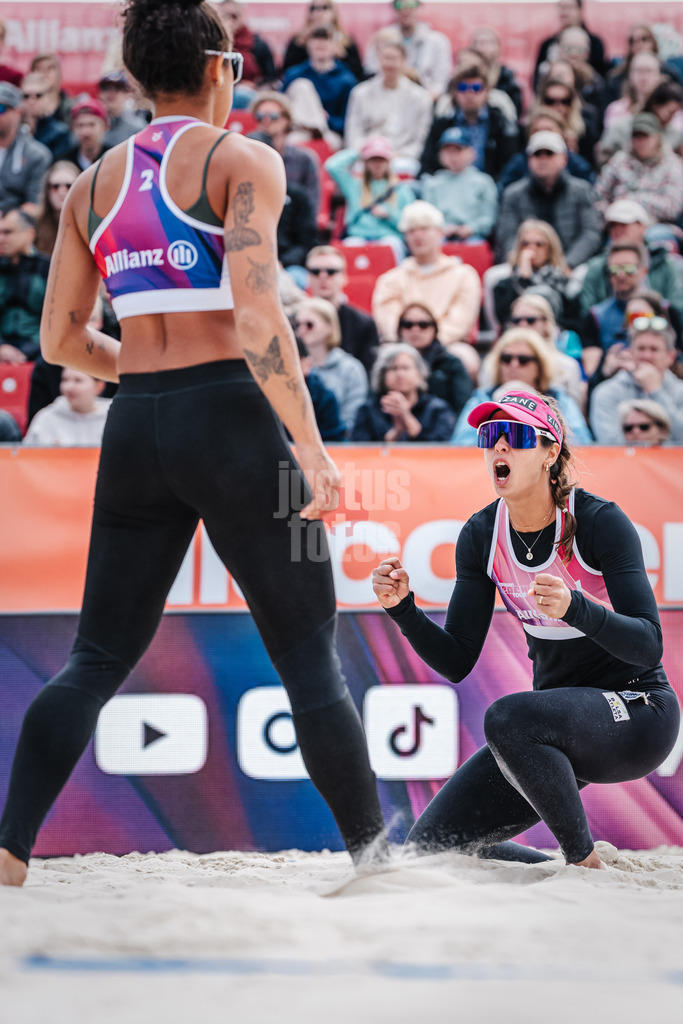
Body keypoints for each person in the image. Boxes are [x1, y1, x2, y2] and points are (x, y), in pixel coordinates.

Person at [0, 0, 386, 888]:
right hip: (233, 423)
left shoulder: (92, 182)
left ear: (136, 77)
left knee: (94, 658)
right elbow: (256, 316)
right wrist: (313, 449)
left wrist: (137, 365)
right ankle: (372, 860)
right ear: (220, 67)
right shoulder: (242, 158)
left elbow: (60, 340)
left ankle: (11, 847)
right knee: (307, 655)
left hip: (137, 424)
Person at [373, 388, 678, 867]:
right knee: (427, 851)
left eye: (513, 435)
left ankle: (583, 862)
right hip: (555, 735)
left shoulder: (600, 522)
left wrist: (577, 609)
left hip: (639, 713)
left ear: (550, 453)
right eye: (490, 435)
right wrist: (403, 610)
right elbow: (456, 661)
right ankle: (558, 869)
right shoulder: (480, 535)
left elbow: (648, 646)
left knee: (507, 717)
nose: (498, 447)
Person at [372, 201, 481, 377]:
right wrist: (411, 346)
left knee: (466, 358)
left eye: (424, 229)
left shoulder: (464, 275)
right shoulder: (390, 280)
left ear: (439, 232)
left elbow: (460, 321)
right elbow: (388, 321)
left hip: (446, 346)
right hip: (402, 346)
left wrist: (429, 344)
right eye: (412, 231)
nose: (418, 236)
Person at [451, 329, 591, 446]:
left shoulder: (559, 399)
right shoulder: (481, 399)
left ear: (539, 366)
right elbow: (461, 448)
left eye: (523, 360)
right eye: (506, 359)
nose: (514, 365)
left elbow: (582, 444)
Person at [495, 131, 602, 268]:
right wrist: (523, 261)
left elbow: (590, 234)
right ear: (529, 160)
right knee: (494, 277)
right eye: (537, 154)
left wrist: (567, 264)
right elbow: (507, 235)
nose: (543, 159)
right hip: (524, 263)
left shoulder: (582, 190)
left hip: (571, 265)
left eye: (549, 154)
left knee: (583, 278)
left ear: (564, 159)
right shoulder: (513, 194)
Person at [579, 199, 683, 322]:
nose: (617, 230)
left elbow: (678, 309)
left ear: (642, 227)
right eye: (612, 226)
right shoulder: (596, 267)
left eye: (623, 224)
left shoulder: (666, 263)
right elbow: (588, 314)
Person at [343, 32, 432, 166]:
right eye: (386, 58)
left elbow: (419, 141)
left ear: (404, 61)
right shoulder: (360, 93)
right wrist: (369, 153)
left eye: (394, 59)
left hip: (402, 158)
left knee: (403, 167)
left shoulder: (421, 97)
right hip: (367, 157)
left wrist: (398, 155)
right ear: (379, 60)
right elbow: (353, 134)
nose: (389, 64)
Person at [420, 61, 520, 179]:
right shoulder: (443, 123)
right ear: (455, 93)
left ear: (487, 92)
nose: (469, 93)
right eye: (463, 87)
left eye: (476, 88)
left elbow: (510, 166)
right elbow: (427, 164)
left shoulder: (500, 122)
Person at [589, 318, 683, 443]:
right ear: (631, 352)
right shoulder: (606, 392)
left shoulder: (680, 391)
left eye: (654, 349)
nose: (646, 356)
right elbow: (609, 444)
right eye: (641, 348)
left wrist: (656, 391)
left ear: (671, 356)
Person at [324, 137, 416, 255]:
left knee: (392, 245)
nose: (377, 164)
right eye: (372, 160)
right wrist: (358, 151)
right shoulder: (355, 185)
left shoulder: (401, 189)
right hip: (358, 236)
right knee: (350, 245)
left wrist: (389, 215)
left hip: (389, 237)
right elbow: (332, 167)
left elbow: (411, 222)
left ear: (388, 162)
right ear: (365, 163)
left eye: (381, 160)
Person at [350, 342, 456, 442]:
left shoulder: (437, 410)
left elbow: (444, 451)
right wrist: (396, 432)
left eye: (405, 368)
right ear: (382, 376)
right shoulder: (368, 410)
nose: (399, 374)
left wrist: (407, 417)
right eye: (393, 368)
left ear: (420, 374)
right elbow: (360, 451)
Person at [594, 113, 683, 226]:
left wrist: (631, 199)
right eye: (636, 136)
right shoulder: (619, 160)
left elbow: (673, 207)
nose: (641, 141)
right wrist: (612, 212)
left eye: (645, 136)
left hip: (657, 226)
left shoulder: (672, 164)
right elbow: (597, 196)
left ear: (657, 137)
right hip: (618, 223)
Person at [294, 297, 368, 431]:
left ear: (329, 327)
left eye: (309, 325)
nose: (301, 330)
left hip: (337, 443)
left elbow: (353, 419)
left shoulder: (350, 369)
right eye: (298, 325)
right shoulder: (288, 366)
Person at [492, 219, 579, 332]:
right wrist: (523, 279)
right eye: (525, 244)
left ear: (550, 248)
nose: (531, 249)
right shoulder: (505, 286)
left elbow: (573, 323)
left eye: (539, 244)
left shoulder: (564, 283)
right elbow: (504, 318)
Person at [580, 242, 650, 379]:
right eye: (614, 270)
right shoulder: (595, 316)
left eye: (629, 269)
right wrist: (606, 369)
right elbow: (591, 374)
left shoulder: (666, 311)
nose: (621, 275)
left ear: (644, 271)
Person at [304, 244, 379, 372]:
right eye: (316, 272)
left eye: (331, 272)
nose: (323, 277)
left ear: (344, 277)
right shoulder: (294, 321)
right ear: (308, 277)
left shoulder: (363, 324)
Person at [420, 126, 498, 242]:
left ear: (471, 152)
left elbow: (489, 216)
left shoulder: (483, 182)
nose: (453, 156)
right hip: (442, 235)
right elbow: (428, 216)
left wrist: (472, 228)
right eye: (448, 151)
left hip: (473, 235)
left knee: (475, 244)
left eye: (458, 150)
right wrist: (443, 227)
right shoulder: (432, 184)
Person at [363, 0, 453, 101]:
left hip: (426, 101)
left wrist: (423, 100)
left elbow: (441, 83)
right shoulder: (381, 39)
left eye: (410, 4)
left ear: (419, 6)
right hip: (387, 100)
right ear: (393, 8)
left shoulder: (438, 42)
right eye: (399, 5)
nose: (405, 10)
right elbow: (371, 73)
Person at [281, 25, 358, 142]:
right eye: (316, 39)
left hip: (329, 134)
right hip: (298, 131)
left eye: (326, 39)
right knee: (302, 86)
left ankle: (318, 127)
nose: (320, 43)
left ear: (335, 46)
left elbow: (348, 121)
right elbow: (282, 109)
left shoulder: (346, 79)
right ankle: (315, 126)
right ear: (308, 44)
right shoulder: (294, 74)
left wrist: (327, 118)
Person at [496, 106, 596, 195]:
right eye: (537, 131)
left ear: (561, 133)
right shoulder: (517, 163)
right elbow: (504, 193)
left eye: (549, 130)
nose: (543, 135)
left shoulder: (577, 164)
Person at [248, 92, 320, 214]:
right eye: (260, 116)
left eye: (273, 116)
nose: (266, 120)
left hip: (292, 224)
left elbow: (311, 206)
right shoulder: (248, 156)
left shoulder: (304, 159)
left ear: (287, 120)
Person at [396, 302, 472, 417]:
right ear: (399, 330)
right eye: (408, 324)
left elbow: (464, 409)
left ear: (434, 329)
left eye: (423, 324)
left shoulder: (452, 364)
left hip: (444, 429)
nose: (415, 329)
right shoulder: (388, 365)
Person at [0, 208, 50, 364]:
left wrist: (30, 351)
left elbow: (57, 321)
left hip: (42, 353)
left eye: (8, 232)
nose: (1, 239)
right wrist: (1, 347)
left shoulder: (49, 268)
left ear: (30, 234)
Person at [599, 79, 683, 165]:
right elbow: (604, 155)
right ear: (655, 106)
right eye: (670, 112)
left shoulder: (675, 134)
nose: (671, 117)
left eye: (675, 114)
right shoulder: (623, 127)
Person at [22, 368, 112, 446]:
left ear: (99, 386)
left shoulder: (112, 418)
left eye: (78, 380)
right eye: (65, 380)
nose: (68, 387)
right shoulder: (46, 418)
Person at [0, 83, 52, 216]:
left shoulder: (37, 155)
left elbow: (34, 205)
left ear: (18, 112)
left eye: (1, 108)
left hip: (16, 228)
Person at [281, 0, 364, 83]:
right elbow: (286, 70)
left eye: (325, 7)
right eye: (313, 8)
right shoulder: (298, 39)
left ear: (333, 11)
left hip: (336, 87)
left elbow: (358, 73)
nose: (319, 12)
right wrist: (299, 46)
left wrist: (343, 55)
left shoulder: (346, 40)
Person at [534, 0, 609, 83]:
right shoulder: (547, 44)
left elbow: (602, 77)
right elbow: (537, 81)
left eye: (569, 7)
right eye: (562, 7)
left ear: (580, 11)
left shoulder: (595, 44)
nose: (564, 12)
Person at [469, 26, 523, 119]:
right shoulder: (464, 75)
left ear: (498, 47)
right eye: (480, 42)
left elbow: (515, 110)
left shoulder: (506, 76)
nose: (483, 47)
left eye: (489, 42)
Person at [20, 71, 72, 160]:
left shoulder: (59, 132)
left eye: (38, 95)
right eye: (26, 96)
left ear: (47, 98)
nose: (31, 101)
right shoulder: (10, 129)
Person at [34, 161, 81, 256]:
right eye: (55, 187)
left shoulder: (88, 224)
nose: (61, 192)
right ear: (47, 191)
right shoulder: (35, 224)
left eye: (69, 186)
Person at [98, 70, 148, 147]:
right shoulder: (88, 124)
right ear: (100, 94)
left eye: (118, 88)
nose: (111, 93)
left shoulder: (138, 128)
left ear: (127, 94)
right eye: (105, 88)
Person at [62, 97, 111, 172]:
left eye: (91, 125)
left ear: (105, 126)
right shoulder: (64, 162)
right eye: (80, 125)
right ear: (73, 129)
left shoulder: (113, 158)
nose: (86, 132)